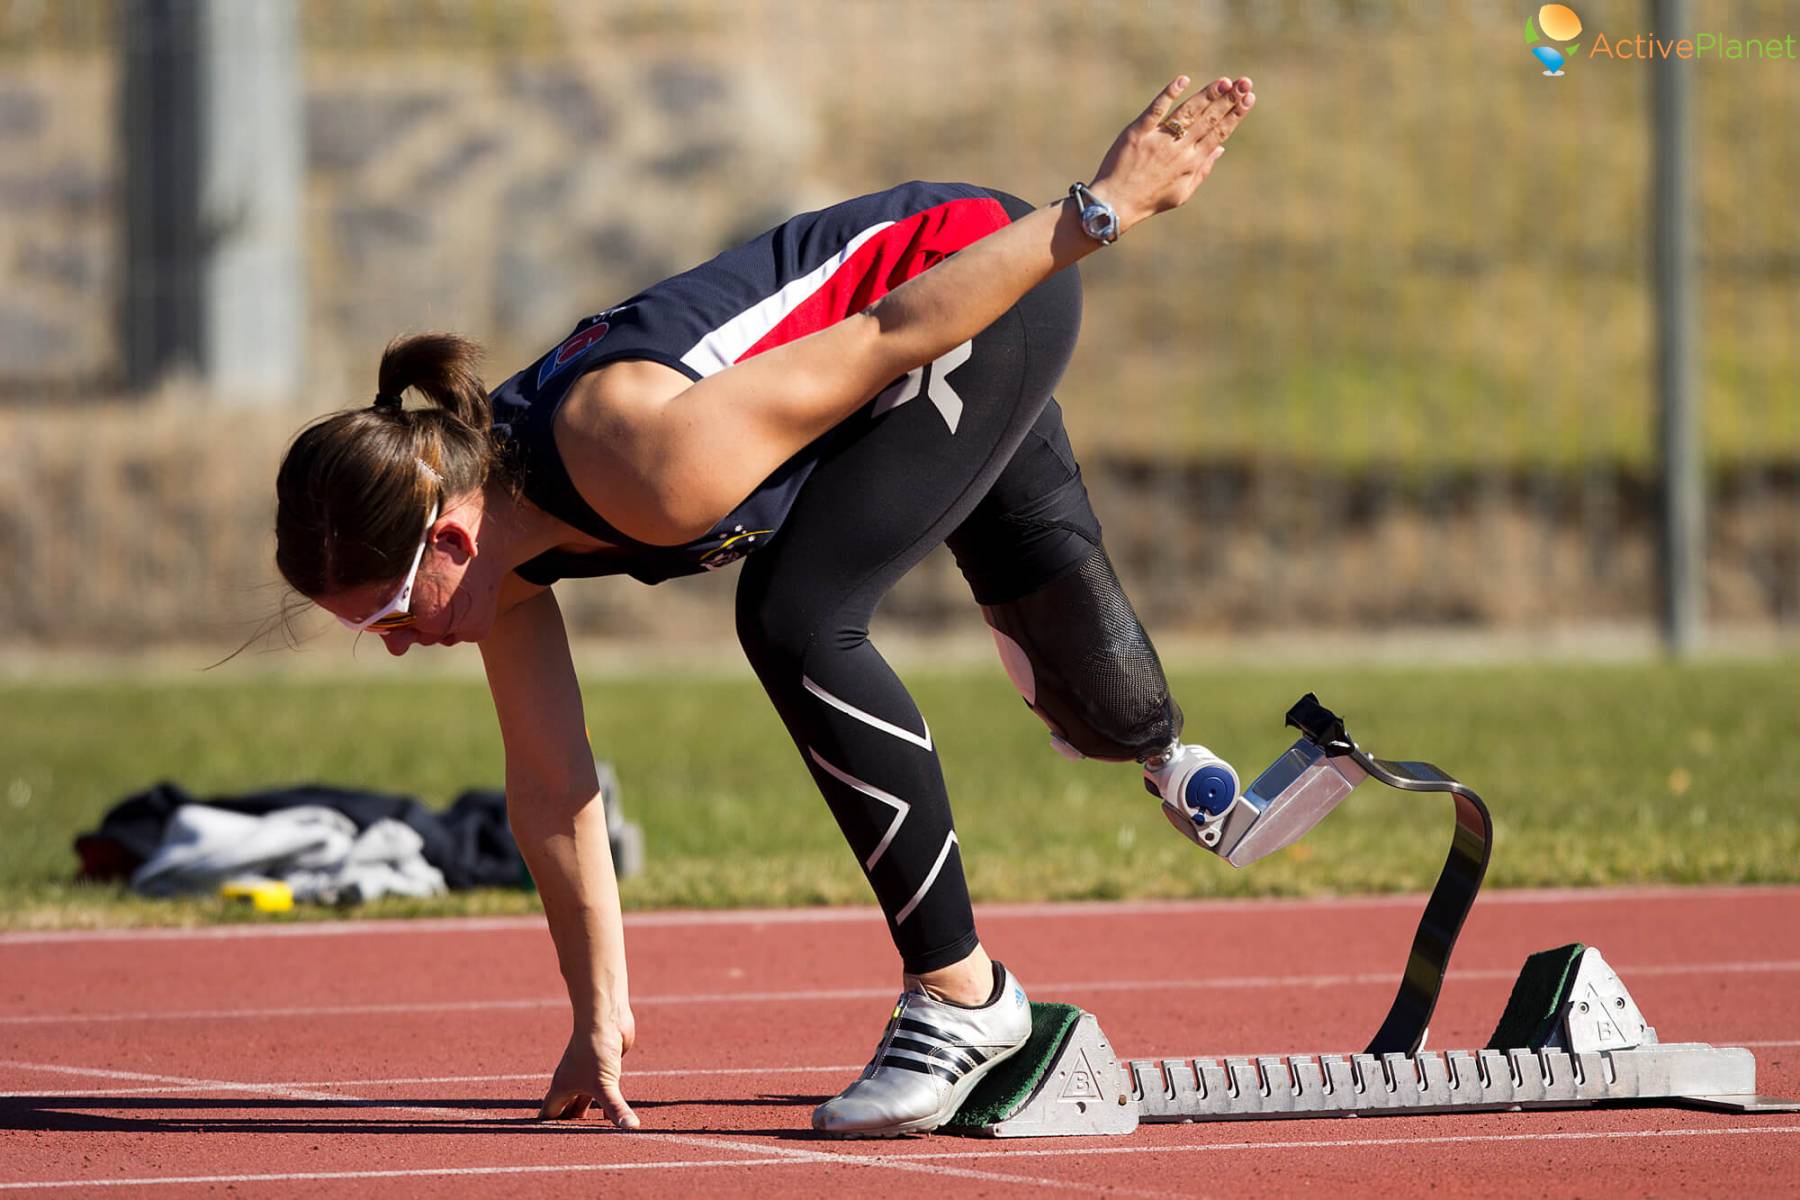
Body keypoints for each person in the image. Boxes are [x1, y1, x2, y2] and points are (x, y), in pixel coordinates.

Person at [273, 73, 1256, 1137]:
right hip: (917, 341)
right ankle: (1172, 761)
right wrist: (599, 1018)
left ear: (450, 537)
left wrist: (1097, 212)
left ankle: (966, 1000)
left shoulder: (641, 458)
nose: (397, 649)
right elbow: (552, 788)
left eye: (389, 618)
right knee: (1101, 708)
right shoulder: (503, 552)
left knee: (794, 619)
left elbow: (887, 333)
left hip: (978, 287)